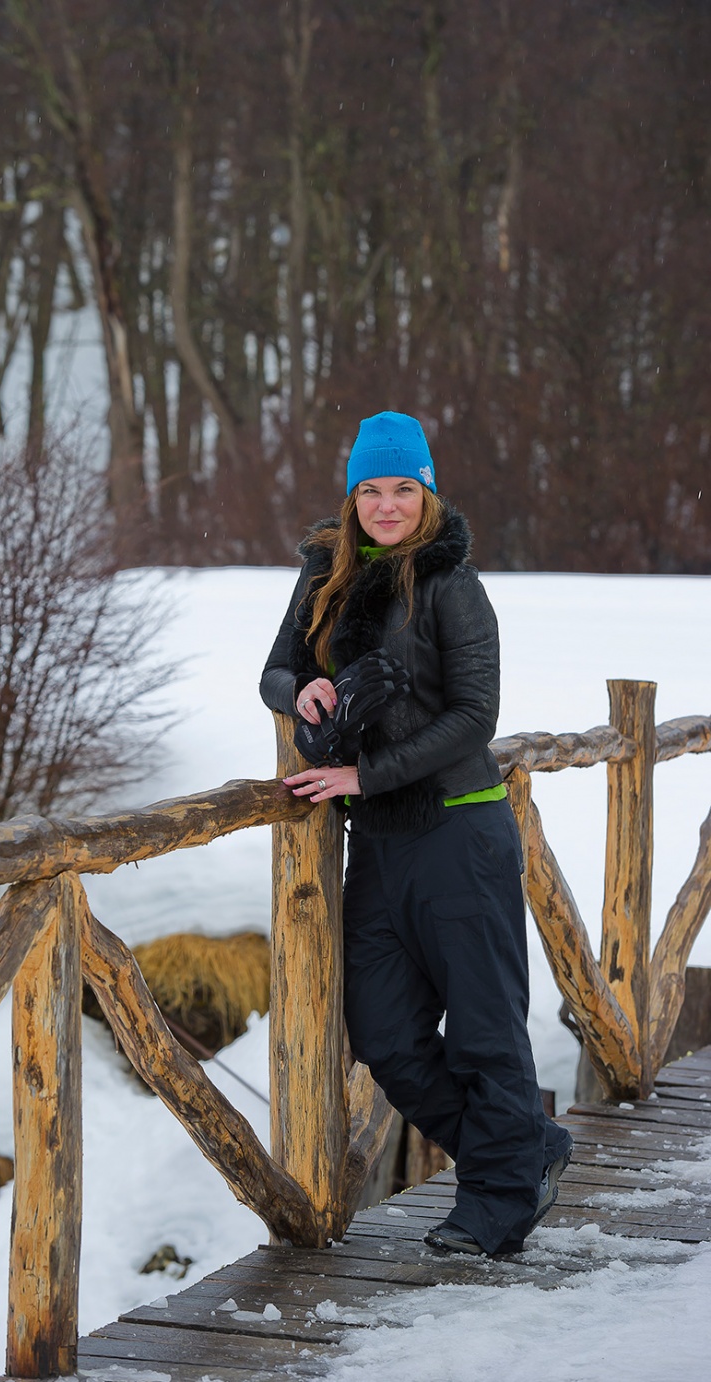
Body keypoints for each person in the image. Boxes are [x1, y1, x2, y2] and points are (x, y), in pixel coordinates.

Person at [259, 410, 572, 1256]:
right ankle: (519, 1153)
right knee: (386, 1032)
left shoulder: (449, 584)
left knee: (482, 1029)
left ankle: (501, 1203)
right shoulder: (329, 573)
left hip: (461, 834)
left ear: (427, 493)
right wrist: (304, 693)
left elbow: (476, 716)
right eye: (371, 489)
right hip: (384, 843)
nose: (386, 505)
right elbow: (276, 669)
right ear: (352, 493)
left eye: (404, 488)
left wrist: (366, 775)